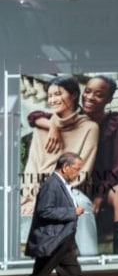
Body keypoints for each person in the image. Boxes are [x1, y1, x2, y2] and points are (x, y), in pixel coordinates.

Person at [29, 74, 118, 253]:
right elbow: (34, 115)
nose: (90, 97)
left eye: (99, 94)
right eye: (87, 91)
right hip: (80, 181)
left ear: (109, 99)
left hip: (109, 182)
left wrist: (101, 195)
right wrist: (53, 127)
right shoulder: (74, 117)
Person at [15, 151, 116, 276]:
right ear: (66, 167)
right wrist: (72, 212)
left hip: (63, 240)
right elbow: (44, 211)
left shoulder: (60, 183)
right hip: (53, 242)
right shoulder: (51, 184)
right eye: (76, 169)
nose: (78, 173)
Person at [20, 76, 98, 218]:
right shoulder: (41, 128)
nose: (52, 100)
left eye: (57, 94)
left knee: (82, 205)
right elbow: (32, 167)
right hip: (40, 189)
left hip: (71, 189)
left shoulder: (90, 128)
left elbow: (83, 171)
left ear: (73, 95)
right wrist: (29, 198)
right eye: (49, 96)